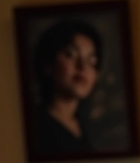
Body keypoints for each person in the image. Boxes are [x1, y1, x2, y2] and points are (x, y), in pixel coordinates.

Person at [31, 19, 102, 156]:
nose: (82, 67)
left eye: (91, 61)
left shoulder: (82, 125)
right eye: (70, 55)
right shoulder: (37, 126)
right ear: (48, 64)